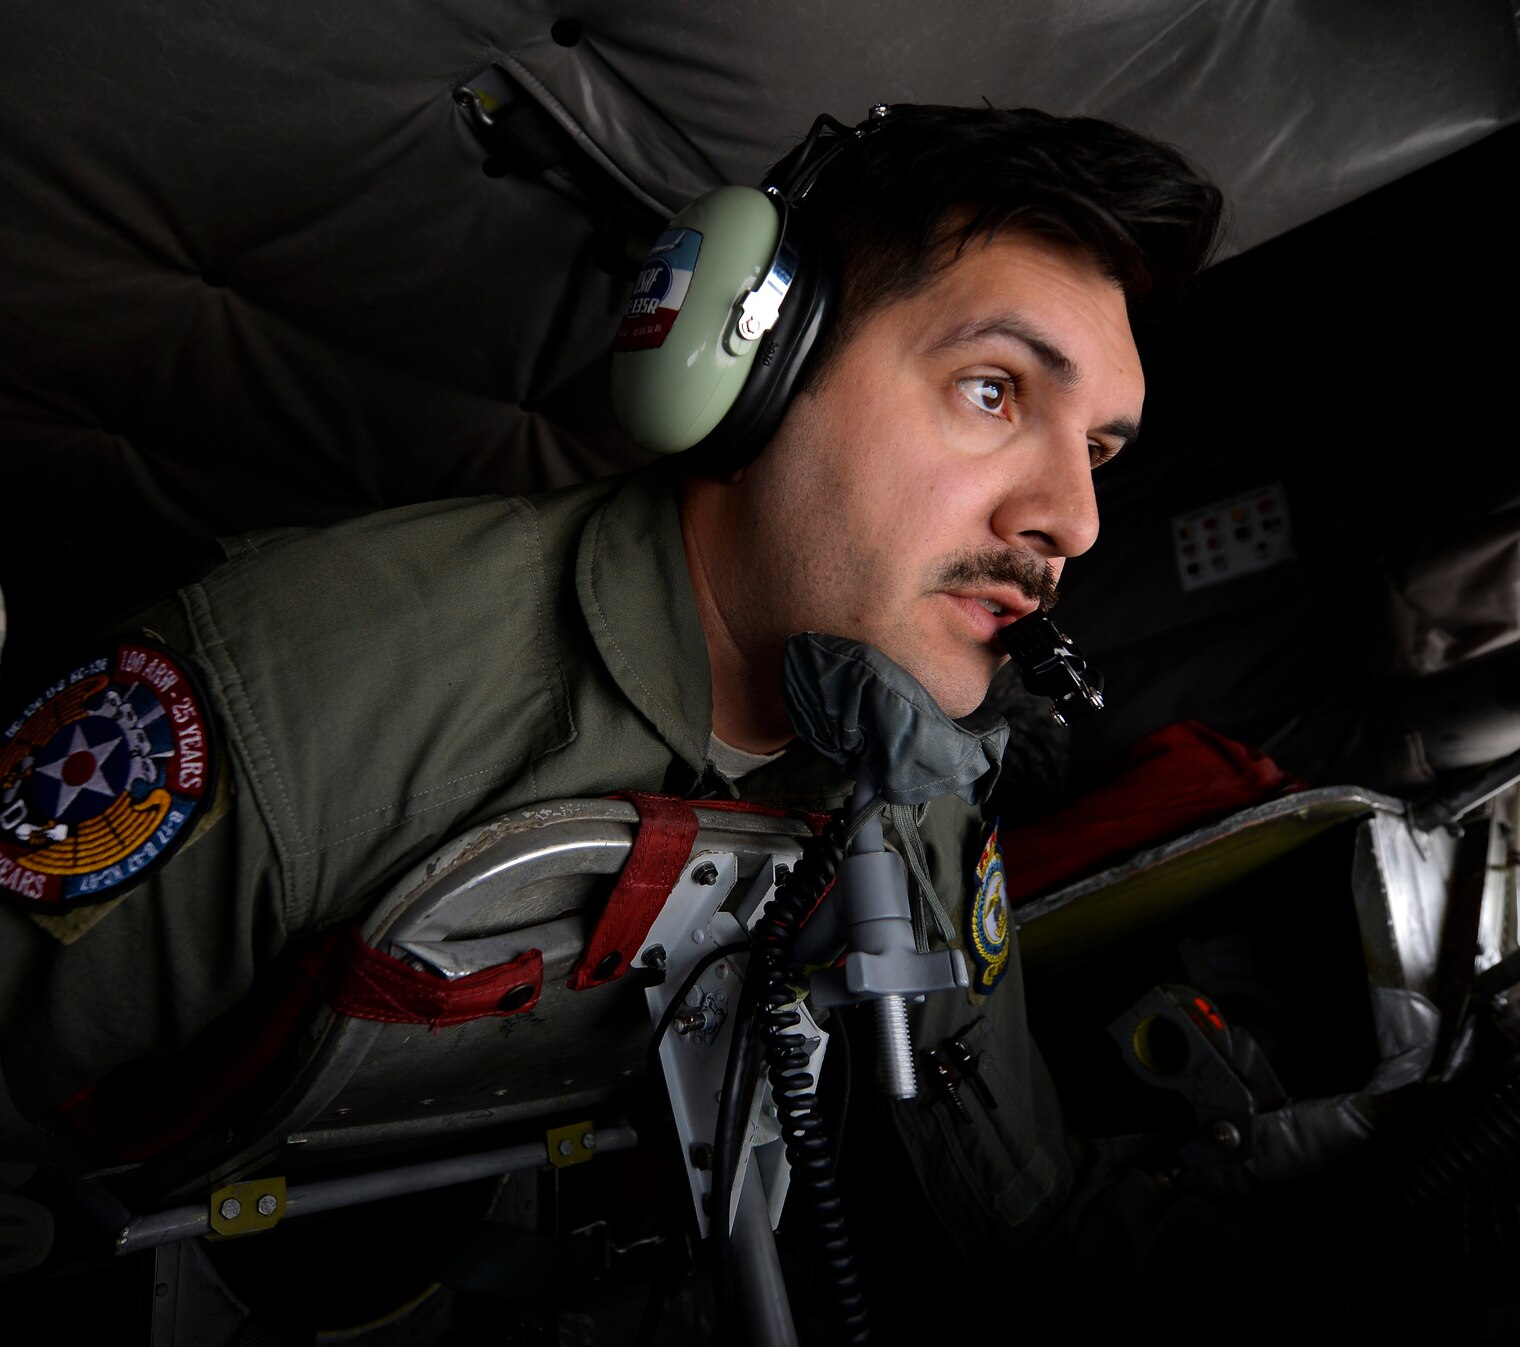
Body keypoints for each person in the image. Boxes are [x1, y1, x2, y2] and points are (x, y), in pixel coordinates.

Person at [0, 105, 1256, 1332]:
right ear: (753, 370)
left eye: (1095, 449)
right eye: (993, 392)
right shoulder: (306, 679)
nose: (1073, 522)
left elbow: (1022, 1202)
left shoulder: (913, 777)